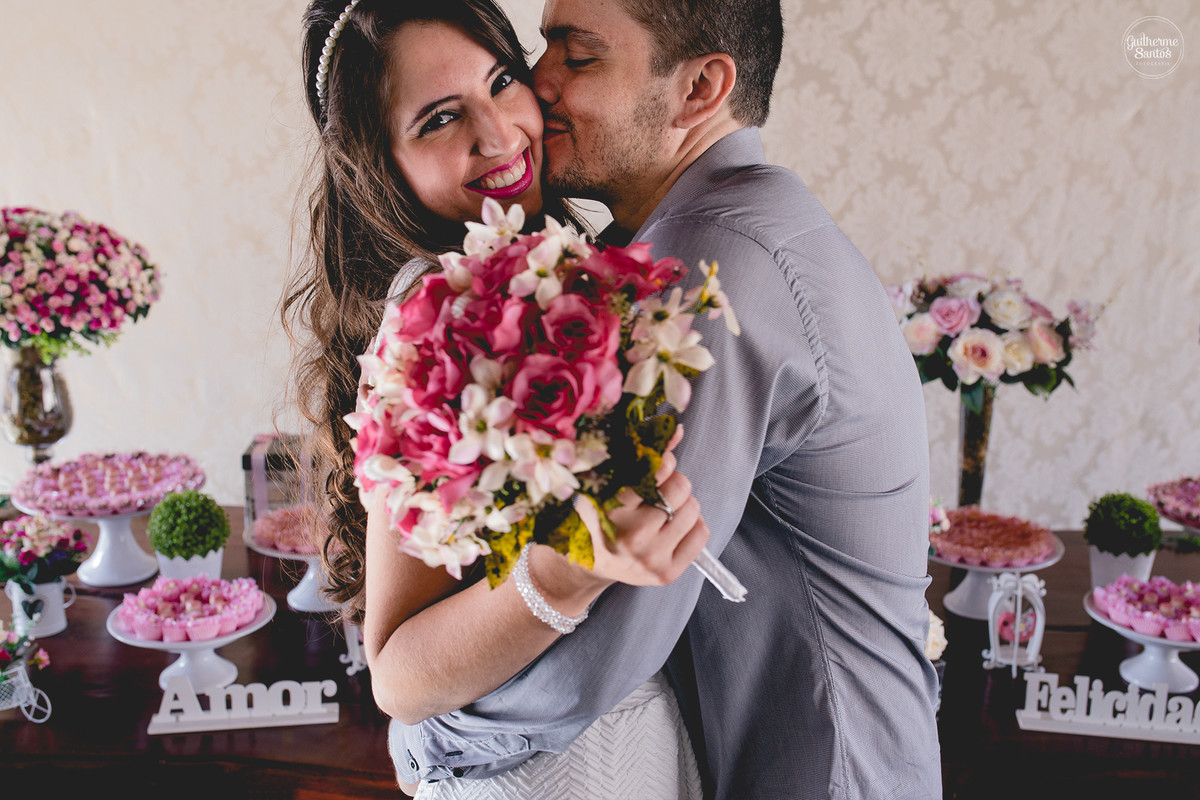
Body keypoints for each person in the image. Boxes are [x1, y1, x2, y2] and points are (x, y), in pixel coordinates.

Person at [389, 0, 944, 798]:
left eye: (577, 59)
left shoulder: (713, 267)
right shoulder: (734, 227)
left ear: (698, 90)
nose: (538, 86)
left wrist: (421, 737)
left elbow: (602, 652)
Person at [282, 1, 710, 798]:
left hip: (635, 736)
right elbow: (400, 678)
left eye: (502, 81)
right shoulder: (437, 311)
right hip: (540, 772)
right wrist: (566, 570)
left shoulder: (569, 265)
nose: (500, 134)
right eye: (441, 119)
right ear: (381, 163)